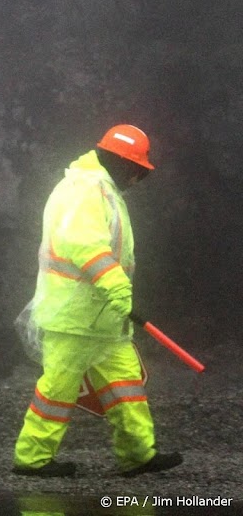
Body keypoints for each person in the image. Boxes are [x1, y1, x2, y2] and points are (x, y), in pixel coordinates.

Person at [12, 124, 182, 478]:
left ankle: (138, 454)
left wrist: (116, 299)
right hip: (74, 317)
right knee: (57, 390)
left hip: (101, 318)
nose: (136, 180)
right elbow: (86, 246)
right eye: (136, 171)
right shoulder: (86, 190)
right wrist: (119, 290)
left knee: (126, 385)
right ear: (121, 162)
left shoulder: (96, 187)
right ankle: (32, 460)